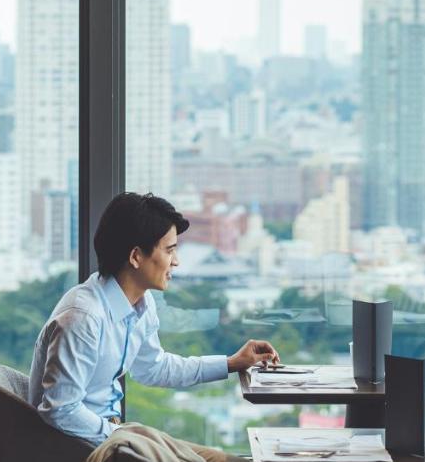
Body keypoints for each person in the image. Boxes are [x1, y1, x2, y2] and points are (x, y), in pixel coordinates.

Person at [27, 191, 280, 447]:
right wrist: (124, 438)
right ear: (136, 256)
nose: (177, 262)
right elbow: (60, 409)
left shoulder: (140, 303)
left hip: (111, 439)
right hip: (82, 452)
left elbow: (154, 368)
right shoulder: (83, 318)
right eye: (170, 250)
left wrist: (231, 363)